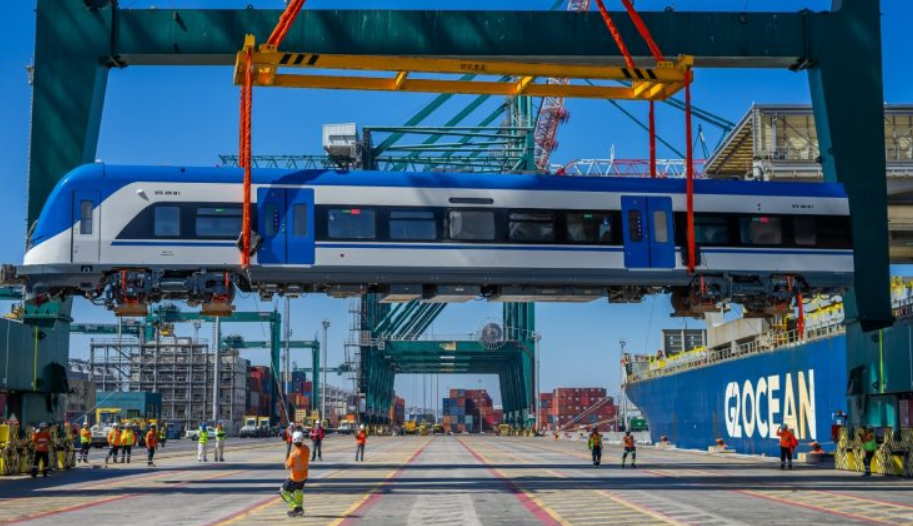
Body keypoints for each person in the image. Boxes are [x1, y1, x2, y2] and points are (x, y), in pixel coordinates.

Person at [280, 431, 310, 517]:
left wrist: (286, 461)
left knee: (283, 491)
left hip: (295, 478)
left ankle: (296, 507)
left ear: (293, 442)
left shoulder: (293, 455)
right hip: (304, 476)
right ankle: (299, 507)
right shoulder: (306, 448)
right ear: (302, 440)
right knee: (298, 491)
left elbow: (288, 467)